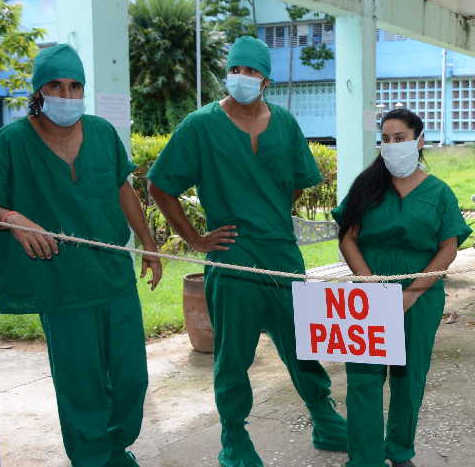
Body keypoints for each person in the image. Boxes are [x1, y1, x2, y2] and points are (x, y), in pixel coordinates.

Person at [147, 36, 346, 466]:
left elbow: (296, 181)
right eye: (236, 70)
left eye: (251, 71)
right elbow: (159, 186)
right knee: (234, 355)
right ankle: (234, 439)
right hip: (232, 256)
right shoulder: (200, 126)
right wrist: (196, 239)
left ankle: (325, 417)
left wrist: (269, 217)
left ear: (265, 80)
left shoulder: (285, 124)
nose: (242, 78)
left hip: (281, 255)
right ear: (227, 74)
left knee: (303, 345)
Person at [0, 44, 161, 467]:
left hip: (112, 277)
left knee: (131, 378)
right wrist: (12, 217)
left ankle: (116, 446)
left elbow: (122, 188)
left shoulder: (102, 132)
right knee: (80, 383)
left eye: (75, 86)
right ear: (39, 90)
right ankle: (92, 458)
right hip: (60, 284)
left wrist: (149, 243)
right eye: (56, 86)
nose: (66, 96)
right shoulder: (11, 142)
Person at [332, 108, 471, 467]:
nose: (392, 146)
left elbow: (448, 247)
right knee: (363, 380)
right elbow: (347, 239)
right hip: (367, 297)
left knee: (408, 380)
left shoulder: (438, 192)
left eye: (400, 139)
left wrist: (411, 293)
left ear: (419, 141)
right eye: (387, 140)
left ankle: (399, 451)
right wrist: (370, 286)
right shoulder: (367, 187)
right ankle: (364, 459)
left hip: (421, 297)